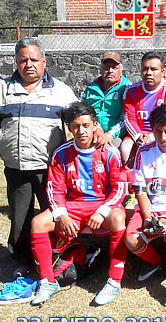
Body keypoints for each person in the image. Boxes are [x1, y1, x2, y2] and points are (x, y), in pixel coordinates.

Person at [0, 38, 78, 272]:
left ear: (44, 62)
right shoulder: (2, 90)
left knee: (53, 215)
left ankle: (56, 258)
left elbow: (80, 120)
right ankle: (23, 261)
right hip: (16, 167)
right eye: (23, 60)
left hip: (50, 169)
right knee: (20, 217)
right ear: (16, 62)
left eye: (34, 59)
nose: (29, 65)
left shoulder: (61, 91)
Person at [29, 101, 128, 306]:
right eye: (76, 126)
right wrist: (62, 215)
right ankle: (48, 281)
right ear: (69, 128)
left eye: (85, 125)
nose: (81, 131)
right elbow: (54, 189)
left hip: (102, 205)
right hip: (73, 206)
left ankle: (114, 280)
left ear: (95, 125)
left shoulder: (109, 152)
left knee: (118, 218)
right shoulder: (61, 153)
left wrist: (102, 211)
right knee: (38, 222)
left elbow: (119, 188)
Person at [124, 104, 166, 284]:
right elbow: (140, 190)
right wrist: (148, 217)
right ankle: (155, 262)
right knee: (131, 240)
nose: (162, 137)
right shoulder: (143, 151)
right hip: (150, 209)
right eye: (157, 132)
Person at [122, 52, 166, 165]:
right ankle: (133, 175)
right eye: (145, 69)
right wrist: (138, 137)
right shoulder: (130, 91)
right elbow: (129, 119)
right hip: (138, 136)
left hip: (163, 135)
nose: (149, 73)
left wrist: (152, 137)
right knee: (125, 148)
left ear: (162, 72)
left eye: (154, 69)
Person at [81, 51, 130, 151]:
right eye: (107, 67)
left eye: (114, 68)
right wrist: (96, 128)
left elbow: (126, 118)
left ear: (121, 71)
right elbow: (82, 112)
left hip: (116, 136)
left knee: (111, 150)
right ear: (100, 70)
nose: (110, 71)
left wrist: (109, 134)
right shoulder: (91, 88)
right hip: (92, 132)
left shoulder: (127, 89)